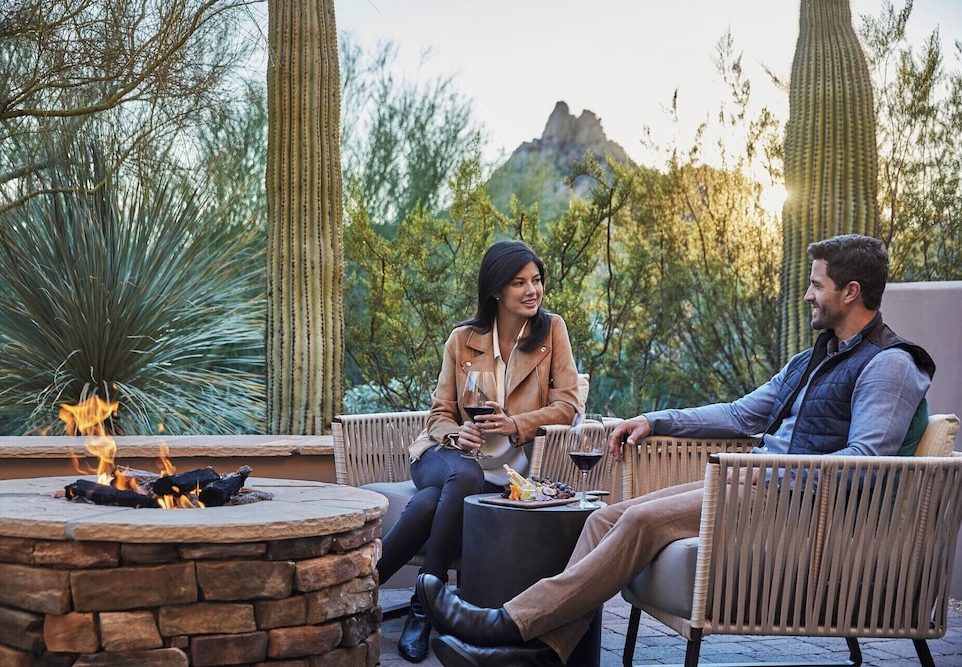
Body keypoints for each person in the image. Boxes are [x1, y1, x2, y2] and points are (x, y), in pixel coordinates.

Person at [416, 234, 936, 667]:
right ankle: (540, 654)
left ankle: (502, 624)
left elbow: (866, 462)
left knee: (641, 524)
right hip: (753, 483)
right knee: (605, 518)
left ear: (850, 292)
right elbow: (738, 414)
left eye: (815, 285)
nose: (806, 296)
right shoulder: (812, 359)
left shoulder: (889, 365)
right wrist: (654, 419)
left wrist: (771, 472)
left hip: (797, 509)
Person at [378, 239, 581, 662]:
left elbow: (568, 407)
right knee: (462, 475)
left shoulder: (552, 332)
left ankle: (362, 588)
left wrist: (515, 424)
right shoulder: (462, 339)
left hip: (502, 468)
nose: (533, 290)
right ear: (496, 290)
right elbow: (438, 416)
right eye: (519, 282)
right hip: (442, 456)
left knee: (429, 505)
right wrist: (457, 436)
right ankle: (425, 607)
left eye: (537, 280)